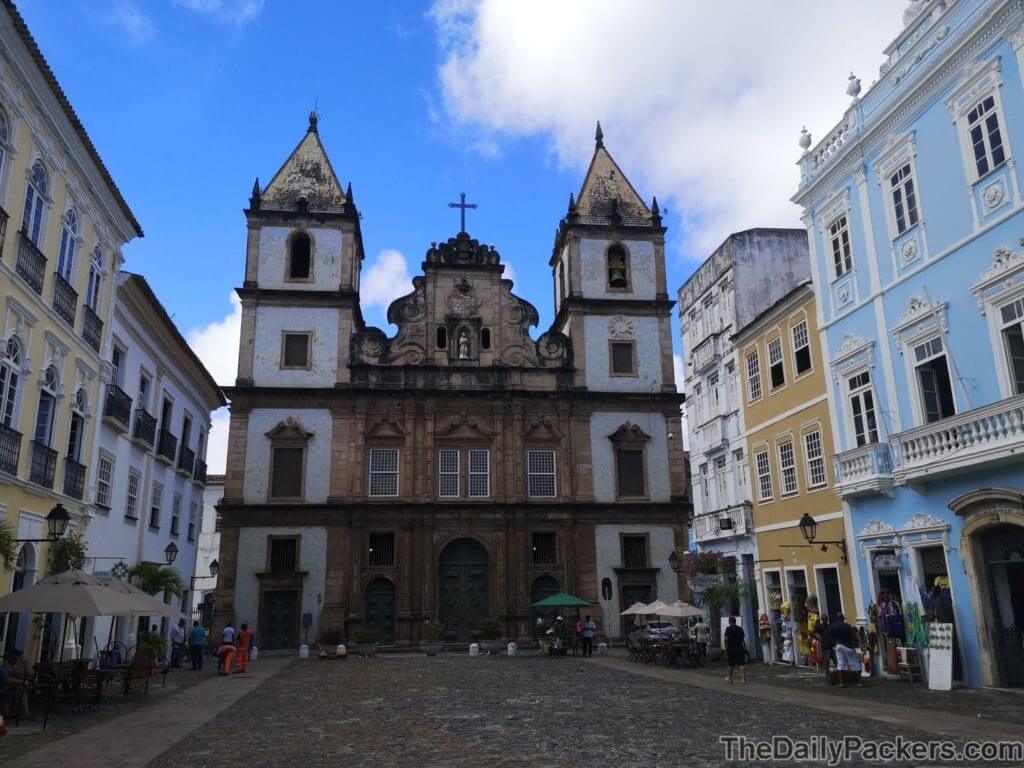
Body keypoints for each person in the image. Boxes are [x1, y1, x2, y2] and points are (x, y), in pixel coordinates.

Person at [823, 612, 862, 688]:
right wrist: (856, 644)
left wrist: (833, 641)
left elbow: (825, 635)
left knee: (840, 664)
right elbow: (853, 636)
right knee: (855, 662)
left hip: (838, 646)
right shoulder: (847, 626)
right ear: (843, 618)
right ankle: (860, 682)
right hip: (848, 646)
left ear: (837, 618)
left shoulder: (832, 626)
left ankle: (841, 683)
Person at [723, 616, 747, 683]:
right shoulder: (740, 629)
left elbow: (725, 639)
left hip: (731, 649)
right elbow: (742, 640)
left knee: (731, 664)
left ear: (730, 622)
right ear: (735, 621)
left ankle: (730, 678)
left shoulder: (728, 629)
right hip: (740, 648)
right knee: (741, 664)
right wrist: (745, 648)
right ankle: (743, 679)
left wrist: (726, 648)